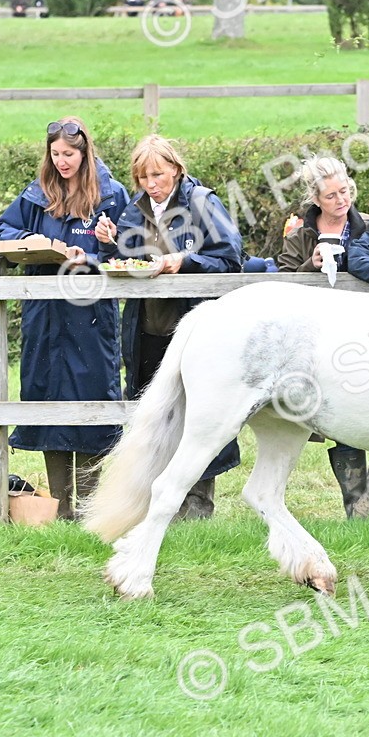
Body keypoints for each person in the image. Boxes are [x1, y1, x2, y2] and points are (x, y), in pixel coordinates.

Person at [94, 135, 245, 520]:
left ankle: (196, 505)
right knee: (155, 413)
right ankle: (155, 503)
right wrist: (110, 244)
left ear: (176, 170)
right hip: (146, 328)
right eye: (144, 176)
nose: (151, 183)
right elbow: (127, 261)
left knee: (199, 414)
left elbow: (230, 257)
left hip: (196, 328)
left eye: (158, 174)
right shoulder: (133, 209)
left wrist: (185, 261)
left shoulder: (202, 202)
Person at [0, 117, 130, 520]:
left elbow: (133, 248)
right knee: (47, 397)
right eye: (55, 154)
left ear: (85, 153)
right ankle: (60, 506)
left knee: (92, 398)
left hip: (90, 314)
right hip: (45, 315)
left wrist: (100, 251)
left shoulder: (111, 194)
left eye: (69, 154)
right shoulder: (37, 194)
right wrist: (28, 241)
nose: (62, 161)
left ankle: (86, 506)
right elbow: (2, 230)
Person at [277, 156, 369, 518]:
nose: (341, 200)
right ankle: (354, 506)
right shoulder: (299, 234)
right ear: (316, 198)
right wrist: (309, 265)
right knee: (342, 419)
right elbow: (280, 282)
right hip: (322, 343)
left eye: (345, 191)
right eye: (331, 196)